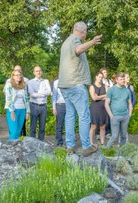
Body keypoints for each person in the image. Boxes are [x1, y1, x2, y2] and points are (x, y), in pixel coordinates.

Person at [58, 21, 101, 156]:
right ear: (82, 31)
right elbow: (78, 50)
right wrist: (92, 42)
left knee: (70, 115)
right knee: (84, 116)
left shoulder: (66, 42)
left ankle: (70, 146)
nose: (86, 34)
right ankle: (86, 146)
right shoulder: (75, 40)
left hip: (65, 85)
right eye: (86, 32)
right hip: (76, 84)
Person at [105, 73, 133, 147]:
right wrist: (111, 115)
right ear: (116, 80)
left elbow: (130, 103)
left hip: (125, 116)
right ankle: (106, 151)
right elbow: (106, 104)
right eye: (121, 79)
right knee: (114, 136)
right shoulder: (111, 90)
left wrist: (129, 114)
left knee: (124, 135)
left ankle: (121, 151)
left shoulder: (127, 91)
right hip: (115, 116)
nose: (123, 80)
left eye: (123, 79)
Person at [4, 70, 30, 140]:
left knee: (18, 131)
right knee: (14, 131)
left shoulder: (23, 85)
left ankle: (16, 149)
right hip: (13, 110)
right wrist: (12, 111)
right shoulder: (9, 85)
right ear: (13, 77)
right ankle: (10, 147)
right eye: (16, 75)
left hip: (22, 110)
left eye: (20, 75)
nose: (19, 76)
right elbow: (8, 99)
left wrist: (27, 111)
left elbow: (26, 99)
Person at [27, 66, 51, 141]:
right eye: (37, 71)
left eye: (40, 70)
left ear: (42, 72)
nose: (38, 72)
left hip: (43, 106)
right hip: (34, 105)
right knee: (33, 127)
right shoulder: (30, 82)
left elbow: (49, 92)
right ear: (34, 72)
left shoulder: (46, 81)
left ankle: (41, 143)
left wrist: (39, 92)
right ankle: (32, 143)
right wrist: (44, 93)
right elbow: (32, 94)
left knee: (42, 127)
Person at [89, 72, 108, 145]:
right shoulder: (92, 86)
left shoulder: (105, 86)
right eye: (99, 77)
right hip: (94, 108)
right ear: (96, 77)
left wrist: (98, 97)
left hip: (103, 108)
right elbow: (94, 98)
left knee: (102, 126)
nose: (100, 79)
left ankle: (102, 143)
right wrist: (104, 96)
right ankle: (91, 143)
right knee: (93, 126)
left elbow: (108, 96)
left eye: (102, 77)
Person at [52, 78, 66, 147]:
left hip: (69, 105)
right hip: (60, 105)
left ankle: (68, 143)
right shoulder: (56, 82)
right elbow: (54, 95)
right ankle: (59, 142)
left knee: (69, 124)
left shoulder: (69, 80)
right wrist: (54, 107)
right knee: (59, 125)